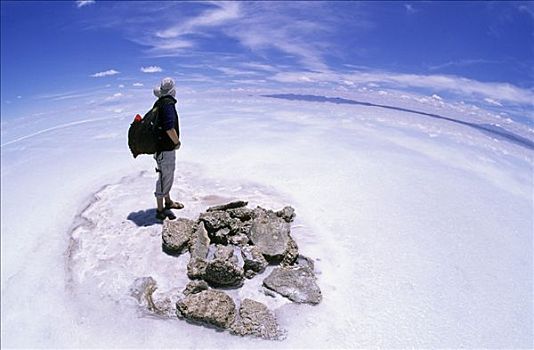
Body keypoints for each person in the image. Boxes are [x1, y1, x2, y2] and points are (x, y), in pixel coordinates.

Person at [152, 77, 183, 220]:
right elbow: (169, 127)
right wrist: (176, 142)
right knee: (165, 177)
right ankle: (160, 210)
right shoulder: (168, 105)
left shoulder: (160, 103)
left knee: (165, 175)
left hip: (160, 149)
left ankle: (168, 201)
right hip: (166, 150)